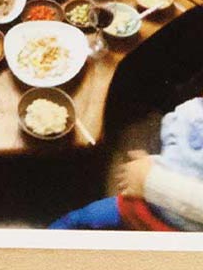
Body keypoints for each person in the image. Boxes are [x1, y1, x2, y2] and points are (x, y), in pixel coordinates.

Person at [49, 97, 203, 231]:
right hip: (149, 199)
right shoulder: (192, 111)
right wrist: (161, 163)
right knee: (81, 218)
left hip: (166, 225)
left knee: (81, 219)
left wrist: (150, 180)